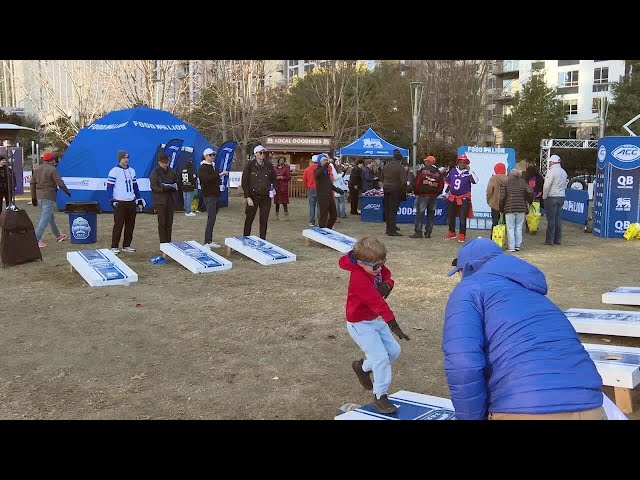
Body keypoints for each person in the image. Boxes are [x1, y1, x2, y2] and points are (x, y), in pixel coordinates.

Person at [442, 238, 605, 420]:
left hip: (526, 405)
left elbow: (462, 362)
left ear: (466, 270)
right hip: (592, 405)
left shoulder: (469, 289)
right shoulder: (533, 293)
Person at [338, 236, 410, 414]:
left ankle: (362, 368)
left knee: (394, 351)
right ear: (360, 263)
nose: (380, 269)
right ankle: (380, 396)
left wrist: (388, 284)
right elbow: (379, 304)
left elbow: (387, 274)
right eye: (376, 266)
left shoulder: (374, 267)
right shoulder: (359, 279)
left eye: (382, 262)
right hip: (360, 324)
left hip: (374, 319)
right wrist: (393, 324)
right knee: (380, 358)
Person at [106, 150, 145, 254]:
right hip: (120, 202)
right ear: (120, 159)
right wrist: (111, 199)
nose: (126, 160)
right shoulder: (114, 171)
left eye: (127, 157)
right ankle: (114, 247)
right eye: (124, 158)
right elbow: (109, 187)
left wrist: (139, 198)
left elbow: (135, 186)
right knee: (118, 225)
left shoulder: (132, 170)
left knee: (130, 225)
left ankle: (126, 245)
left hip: (131, 201)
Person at [30, 151, 71, 248]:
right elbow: (60, 183)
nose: (55, 162)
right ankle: (36, 239)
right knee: (44, 219)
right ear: (52, 160)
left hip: (39, 197)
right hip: (48, 196)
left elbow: (32, 183)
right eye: (54, 160)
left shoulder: (37, 169)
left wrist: (33, 197)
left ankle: (58, 236)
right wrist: (67, 191)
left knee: (50, 218)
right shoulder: (52, 170)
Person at [241, 145, 275, 239]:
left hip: (265, 197)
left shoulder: (269, 165)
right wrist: (247, 197)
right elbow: (244, 182)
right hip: (253, 196)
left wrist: (274, 189)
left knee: (264, 220)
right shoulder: (249, 165)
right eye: (260, 153)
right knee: (249, 219)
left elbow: (273, 179)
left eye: (264, 153)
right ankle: (245, 238)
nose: (263, 154)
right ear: (255, 154)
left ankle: (263, 240)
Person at [443, 154, 478, 243]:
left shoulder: (468, 172)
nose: (462, 163)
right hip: (453, 197)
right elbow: (448, 183)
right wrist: (444, 193)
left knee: (463, 217)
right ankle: (452, 232)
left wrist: (470, 171)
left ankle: (462, 234)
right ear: (458, 162)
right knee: (451, 216)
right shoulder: (453, 171)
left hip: (464, 198)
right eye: (461, 161)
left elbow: (475, 181)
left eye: (464, 162)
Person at [198, 147, 227, 249]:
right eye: (210, 155)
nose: (212, 157)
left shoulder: (213, 166)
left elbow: (214, 179)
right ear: (205, 156)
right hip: (209, 195)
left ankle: (209, 240)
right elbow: (205, 179)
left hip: (215, 194)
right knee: (211, 218)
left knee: (213, 218)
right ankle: (206, 241)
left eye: (213, 155)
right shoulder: (203, 167)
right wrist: (219, 174)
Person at [410, 155, 444, 239]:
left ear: (428, 162)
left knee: (420, 214)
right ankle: (428, 233)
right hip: (433, 197)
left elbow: (417, 183)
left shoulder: (422, 171)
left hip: (423, 196)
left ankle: (418, 232)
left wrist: (417, 192)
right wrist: (436, 193)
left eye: (426, 161)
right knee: (431, 215)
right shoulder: (438, 173)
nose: (424, 162)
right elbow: (441, 186)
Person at [499, 168, 533, 252]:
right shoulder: (523, 182)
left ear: (509, 175)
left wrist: (501, 208)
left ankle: (511, 247)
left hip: (509, 207)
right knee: (519, 227)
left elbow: (502, 197)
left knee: (510, 228)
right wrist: (530, 201)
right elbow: (530, 192)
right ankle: (518, 245)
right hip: (521, 208)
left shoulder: (506, 183)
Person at [149, 152, 179, 245]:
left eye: (166, 162)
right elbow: (154, 187)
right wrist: (164, 188)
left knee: (169, 223)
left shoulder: (172, 171)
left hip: (170, 199)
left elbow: (177, 183)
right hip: (160, 201)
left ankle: (169, 242)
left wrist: (173, 186)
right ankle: (163, 243)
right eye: (163, 162)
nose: (165, 164)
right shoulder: (155, 172)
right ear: (159, 162)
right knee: (162, 223)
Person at [542, 154, 568, 246]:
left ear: (552, 162)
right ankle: (558, 239)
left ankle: (550, 240)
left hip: (552, 196)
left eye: (549, 161)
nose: (548, 163)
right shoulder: (564, 172)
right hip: (561, 196)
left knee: (551, 219)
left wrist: (544, 196)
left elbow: (547, 185)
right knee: (558, 218)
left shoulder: (551, 172)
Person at [314, 154, 343, 229]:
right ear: (320, 162)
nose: (325, 162)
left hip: (329, 195)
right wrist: (326, 164)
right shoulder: (317, 170)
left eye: (326, 160)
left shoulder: (326, 172)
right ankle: (322, 229)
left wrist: (337, 190)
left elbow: (329, 184)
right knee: (324, 215)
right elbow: (317, 174)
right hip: (322, 196)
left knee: (334, 215)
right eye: (324, 161)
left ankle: (328, 229)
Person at [382, 149, 407, 236]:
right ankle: (392, 230)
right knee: (393, 211)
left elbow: (381, 177)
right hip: (395, 190)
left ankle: (388, 228)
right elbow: (404, 182)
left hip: (386, 189)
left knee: (387, 210)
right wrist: (405, 191)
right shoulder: (400, 168)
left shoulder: (386, 166)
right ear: (400, 160)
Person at [486, 162, 507, 229]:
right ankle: (503, 236)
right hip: (505, 204)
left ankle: (494, 237)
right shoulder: (508, 178)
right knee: (503, 222)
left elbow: (489, 191)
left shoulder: (493, 178)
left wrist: (488, 200)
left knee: (495, 222)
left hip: (495, 204)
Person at [524, 165, 545, 234]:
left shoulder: (526, 178)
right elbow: (541, 188)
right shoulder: (540, 178)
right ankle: (534, 227)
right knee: (535, 213)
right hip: (536, 197)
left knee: (528, 213)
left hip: (528, 197)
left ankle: (528, 227)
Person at [302, 155, 320, 226]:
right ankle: (320, 221)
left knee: (312, 206)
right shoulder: (321, 169)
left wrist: (307, 187)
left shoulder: (307, 169)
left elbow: (304, 180)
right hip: (319, 189)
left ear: (312, 161)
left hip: (311, 189)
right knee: (319, 206)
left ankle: (311, 221)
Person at [274, 156, 291, 220]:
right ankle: (276, 215)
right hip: (277, 186)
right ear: (278, 161)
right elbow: (272, 176)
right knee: (277, 202)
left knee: (284, 202)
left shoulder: (287, 168)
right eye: (280, 160)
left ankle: (286, 215)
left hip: (283, 187)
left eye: (283, 160)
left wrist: (282, 177)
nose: (281, 161)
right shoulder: (275, 168)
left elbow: (289, 177)